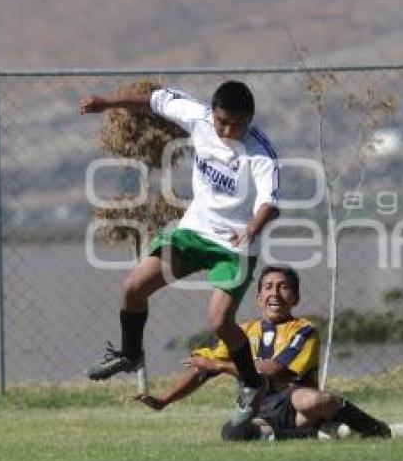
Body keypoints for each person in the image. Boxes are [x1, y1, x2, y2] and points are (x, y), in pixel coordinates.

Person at [80, 81, 280, 427]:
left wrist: (250, 228)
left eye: (236, 124)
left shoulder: (260, 153)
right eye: (222, 122)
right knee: (133, 289)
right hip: (193, 234)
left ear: (249, 119)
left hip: (235, 246)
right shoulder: (198, 118)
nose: (227, 130)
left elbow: (270, 203)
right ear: (213, 114)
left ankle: (251, 382)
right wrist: (107, 103)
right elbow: (154, 101)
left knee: (219, 321)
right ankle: (130, 354)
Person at [133, 265, 392, 441]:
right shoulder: (242, 331)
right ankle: (315, 434)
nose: (274, 293)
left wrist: (221, 366)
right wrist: (163, 400)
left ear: (296, 298)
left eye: (282, 287)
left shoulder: (304, 330)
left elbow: (275, 371)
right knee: (234, 434)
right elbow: (202, 368)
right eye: (268, 287)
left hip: (297, 404)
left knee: (313, 401)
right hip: (260, 410)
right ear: (258, 298)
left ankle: (375, 428)